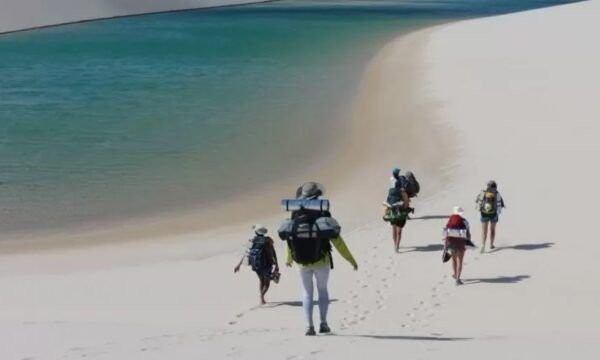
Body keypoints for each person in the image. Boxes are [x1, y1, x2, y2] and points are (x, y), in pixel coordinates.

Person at [281, 182, 358, 336]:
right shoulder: (323, 213)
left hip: (302, 263)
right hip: (322, 261)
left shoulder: (295, 214)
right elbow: (337, 240)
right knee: (322, 290)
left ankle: (309, 327)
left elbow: (291, 238)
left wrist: (288, 258)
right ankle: (323, 323)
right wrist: (350, 259)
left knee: (307, 293)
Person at [234, 224, 279, 305]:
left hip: (256, 265)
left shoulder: (252, 240)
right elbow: (273, 252)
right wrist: (277, 264)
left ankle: (262, 298)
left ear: (256, 232)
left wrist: (239, 265)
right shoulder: (268, 240)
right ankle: (262, 296)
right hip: (267, 264)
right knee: (267, 283)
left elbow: (246, 254)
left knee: (261, 280)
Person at [475, 180, 506, 253]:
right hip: (493, 214)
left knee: (484, 231)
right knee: (492, 230)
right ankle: (491, 245)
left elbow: (477, 200)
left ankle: (483, 245)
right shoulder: (497, 194)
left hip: (484, 214)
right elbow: (501, 204)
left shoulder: (483, 193)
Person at [385, 168, 411, 252]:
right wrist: (407, 209)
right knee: (399, 231)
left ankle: (394, 245)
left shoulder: (390, 191)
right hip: (401, 212)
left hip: (392, 212)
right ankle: (397, 246)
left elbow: (387, 201)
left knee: (394, 229)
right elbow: (406, 202)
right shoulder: (402, 192)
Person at [444, 206, 471, 285]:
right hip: (461, 243)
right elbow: (468, 234)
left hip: (452, 243)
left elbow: (447, 232)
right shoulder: (465, 221)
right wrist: (468, 242)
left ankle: (455, 274)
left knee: (454, 260)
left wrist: (446, 242)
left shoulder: (450, 220)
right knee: (460, 261)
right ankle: (458, 279)